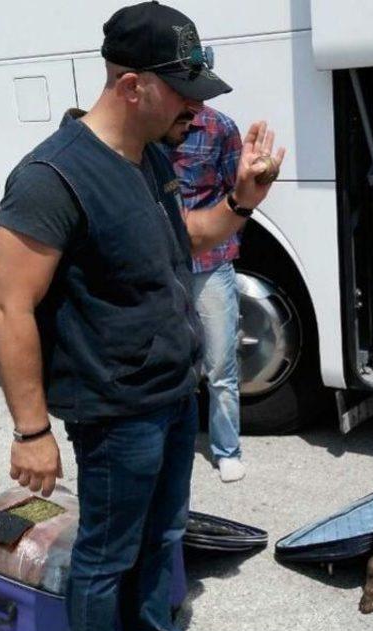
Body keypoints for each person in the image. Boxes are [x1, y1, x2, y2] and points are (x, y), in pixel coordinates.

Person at [0, 1, 284, 631]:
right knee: (108, 551)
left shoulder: (149, 157)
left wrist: (245, 198)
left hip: (169, 390)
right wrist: (31, 432)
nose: (195, 105)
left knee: (164, 534)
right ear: (131, 86)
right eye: (183, 89)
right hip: (114, 404)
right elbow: (9, 307)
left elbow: (191, 234)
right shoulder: (52, 177)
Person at [164, 106, 246, 482]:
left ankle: (227, 450)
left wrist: (226, 242)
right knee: (168, 362)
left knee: (220, 363)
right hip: (164, 261)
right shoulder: (151, 123)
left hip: (211, 262)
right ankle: (167, 443)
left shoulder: (219, 127)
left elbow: (238, 192)